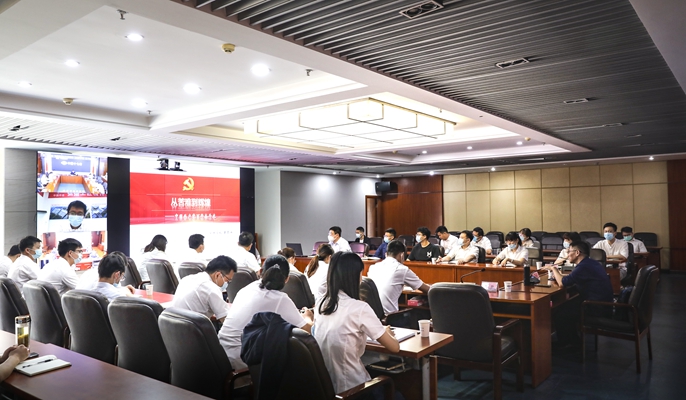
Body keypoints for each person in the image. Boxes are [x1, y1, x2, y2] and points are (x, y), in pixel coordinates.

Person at [314, 252, 400, 394]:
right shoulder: (359, 308)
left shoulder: (321, 304)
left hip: (328, 389)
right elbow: (394, 347)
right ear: (354, 276)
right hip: (354, 389)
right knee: (398, 394)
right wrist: (388, 333)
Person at [218, 255, 313, 370]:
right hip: (241, 360)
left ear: (260, 272)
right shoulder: (280, 299)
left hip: (221, 353)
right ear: (287, 278)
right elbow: (307, 331)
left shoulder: (246, 289)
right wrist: (308, 317)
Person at [544, 241, 613, 347]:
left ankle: (567, 344)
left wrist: (553, 268)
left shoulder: (583, 267)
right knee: (565, 306)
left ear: (577, 253)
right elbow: (572, 278)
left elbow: (562, 283)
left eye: (569, 252)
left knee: (560, 313)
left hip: (596, 306)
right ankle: (573, 340)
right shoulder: (591, 263)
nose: (567, 255)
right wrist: (560, 275)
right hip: (601, 302)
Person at [368, 240, 430, 314]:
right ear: (402, 255)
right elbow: (425, 289)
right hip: (388, 316)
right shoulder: (401, 269)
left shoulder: (373, 267)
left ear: (386, 254)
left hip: (370, 314)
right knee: (416, 314)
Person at [172, 255, 236, 323]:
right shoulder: (211, 288)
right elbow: (226, 320)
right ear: (217, 275)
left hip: (172, 326)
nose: (227, 284)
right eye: (227, 280)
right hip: (192, 328)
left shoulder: (187, 279)